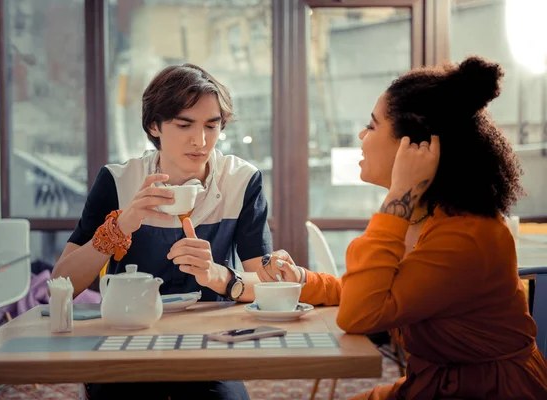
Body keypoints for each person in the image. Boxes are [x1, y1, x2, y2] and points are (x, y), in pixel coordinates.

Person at [257, 56, 547, 399]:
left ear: (413, 146)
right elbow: (382, 292)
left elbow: (361, 313)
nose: (362, 135)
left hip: (488, 391)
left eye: (373, 125)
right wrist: (304, 281)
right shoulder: (424, 216)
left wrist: (398, 195)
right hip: (436, 384)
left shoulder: (464, 235)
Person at [52, 63, 273, 399]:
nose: (200, 141)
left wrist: (220, 276)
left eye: (212, 126)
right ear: (155, 125)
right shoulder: (118, 181)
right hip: (125, 339)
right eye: (185, 125)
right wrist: (121, 225)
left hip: (209, 344)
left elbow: (268, 283)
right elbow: (63, 281)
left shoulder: (241, 182)